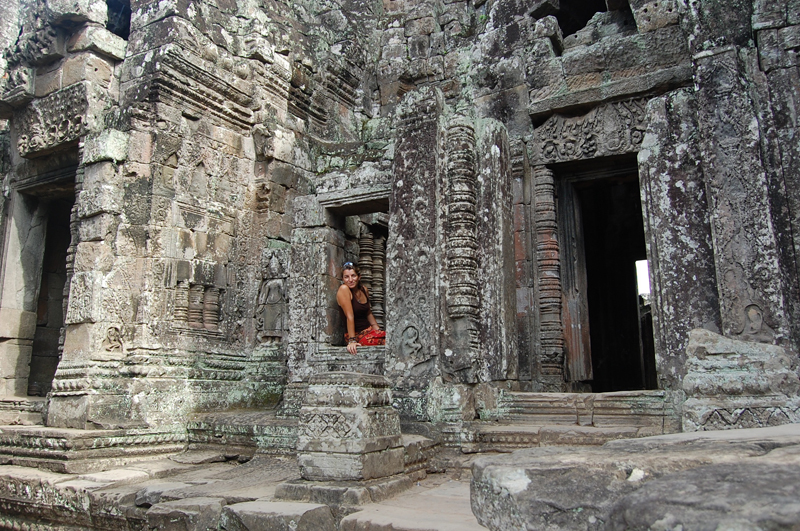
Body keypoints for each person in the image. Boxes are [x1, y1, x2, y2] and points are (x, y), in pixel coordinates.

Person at [337, 262, 386, 354]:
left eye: (353, 276)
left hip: (369, 331)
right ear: (342, 279)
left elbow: (368, 313)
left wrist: (377, 330)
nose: (350, 280)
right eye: (346, 277)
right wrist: (352, 340)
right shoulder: (344, 289)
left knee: (392, 338)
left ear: (359, 277)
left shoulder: (364, 290)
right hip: (356, 335)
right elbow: (349, 316)